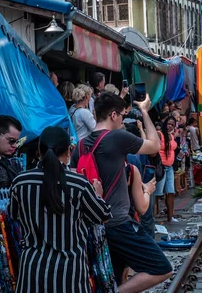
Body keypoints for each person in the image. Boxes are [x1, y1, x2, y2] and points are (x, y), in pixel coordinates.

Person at [70, 92, 173, 292]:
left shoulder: (81, 145)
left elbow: (75, 183)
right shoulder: (116, 137)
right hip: (118, 222)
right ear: (114, 115)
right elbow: (154, 146)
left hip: (93, 226)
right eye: (123, 116)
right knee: (161, 268)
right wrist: (144, 111)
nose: (123, 121)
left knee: (113, 277)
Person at [8, 126, 110, 293]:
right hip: (69, 273)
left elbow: (13, 214)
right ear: (69, 151)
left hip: (32, 271)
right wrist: (97, 195)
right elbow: (104, 215)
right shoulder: (79, 184)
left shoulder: (20, 182)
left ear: (38, 152)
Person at [155, 116, 178, 222]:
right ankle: (153, 217)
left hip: (170, 167)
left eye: (172, 125)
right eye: (169, 124)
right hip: (161, 167)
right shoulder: (159, 134)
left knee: (170, 192)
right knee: (157, 193)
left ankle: (170, 217)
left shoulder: (171, 136)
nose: (170, 126)